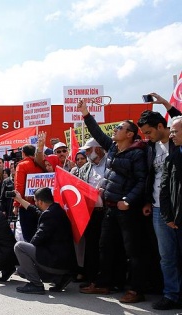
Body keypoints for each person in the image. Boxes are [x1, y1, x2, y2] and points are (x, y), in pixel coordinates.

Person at [77, 99, 149, 304]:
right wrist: (85, 114)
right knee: (106, 247)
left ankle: (136, 289)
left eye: (120, 128)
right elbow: (98, 134)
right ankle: (104, 283)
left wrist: (128, 200)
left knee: (132, 251)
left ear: (130, 134)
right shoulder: (115, 148)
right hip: (110, 208)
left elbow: (141, 181)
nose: (115, 130)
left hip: (127, 210)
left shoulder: (137, 153)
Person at [139, 104, 182, 310]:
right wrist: (148, 200)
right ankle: (171, 294)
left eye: (149, 132)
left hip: (179, 208)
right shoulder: (150, 147)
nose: (146, 136)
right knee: (166, 256)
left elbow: (179, 121)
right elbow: (151, 177)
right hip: (158, 209)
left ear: (160, 126)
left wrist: (166, 103)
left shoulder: (176, 143)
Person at [13, 188, 76, 294]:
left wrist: (29, 255)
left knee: (20, 248)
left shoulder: (49, 215)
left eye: (36, 201)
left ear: (41, 202)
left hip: (55, 262)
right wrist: (20, 200)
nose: (36, 204)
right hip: (65, 262)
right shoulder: (56, 210)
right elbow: (36, 211)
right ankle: (59, 279)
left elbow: (38, 238)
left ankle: (36, 284)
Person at [76, 138, 107, 287]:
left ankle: (108, 279)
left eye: (89, 150)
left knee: (107, 245)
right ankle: (92, 278)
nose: (86, 153)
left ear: (98, 149)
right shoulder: (85, 168)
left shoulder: (110, 164)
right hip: (90, 212)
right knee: (91, 245)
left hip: (107, 211)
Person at [159, 115, 182, 309]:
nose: (171, 135)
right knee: (169, 258)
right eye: (171, 131)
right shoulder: (172, 158)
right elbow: (164, 189)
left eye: (175, 131)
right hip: (175, 220)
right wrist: (168, 217)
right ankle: (172, 295)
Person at [13, 144, 44, 242]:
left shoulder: (22, 165)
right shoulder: (41, 164)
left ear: (23, 153)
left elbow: (19, 186)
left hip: (26, 205)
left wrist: (16, 205)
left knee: (28, 236)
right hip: (42, 204)